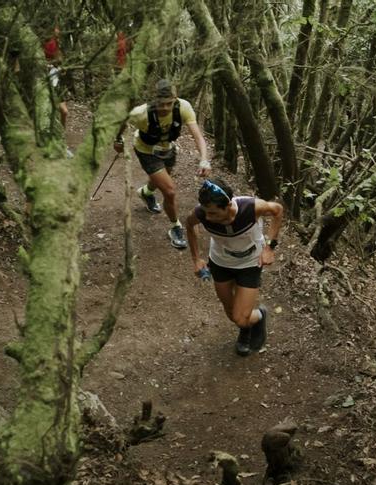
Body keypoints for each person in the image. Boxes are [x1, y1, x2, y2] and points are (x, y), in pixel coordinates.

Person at [185, 178, 283, 356]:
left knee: (240, 317)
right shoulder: (201, 213)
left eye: (213, 213)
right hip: (220, 262)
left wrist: (270, 247)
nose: (208, 218)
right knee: (231, 314)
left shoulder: (251, 208)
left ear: (228, 205)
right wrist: (196, 258)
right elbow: (190, 225)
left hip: (250, 263)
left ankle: (258, 317)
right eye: (206, 212)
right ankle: (246, 324)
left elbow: (277, 210)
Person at [115, 79, 210, 249]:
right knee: (170, 191)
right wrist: (118, 139)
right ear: (154, 100)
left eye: (169, 103)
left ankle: (146, 193)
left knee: (161, 180)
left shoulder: (183, 107)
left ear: (175, 98)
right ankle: (175, 227)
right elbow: (123, 121)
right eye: (161, 103)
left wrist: (204, 159)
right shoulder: (141, 113)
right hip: (146, 150)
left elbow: (198, 136)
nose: (165, 107)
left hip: (168, 148)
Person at [43, 25, 69, 131]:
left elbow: (60, 59)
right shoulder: (47, 43)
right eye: (56, 30)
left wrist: (62, 67)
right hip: (48, 79)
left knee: (64, 112)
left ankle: (61, 137)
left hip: (57, 79)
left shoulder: (58, 43)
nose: (58, 31)